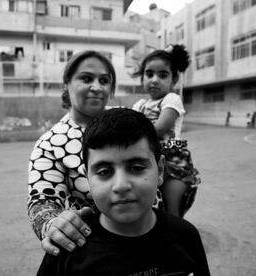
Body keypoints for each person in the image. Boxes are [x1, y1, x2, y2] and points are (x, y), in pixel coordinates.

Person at [37, 108, 210, 276]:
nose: (120, 185)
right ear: (88, 177)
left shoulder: (186, 236)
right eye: (104, 172)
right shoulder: (68, 247)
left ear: (160, 170)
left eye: (136, 168)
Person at [27, 50, 164, 256]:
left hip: (158, 237)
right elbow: (42, 202)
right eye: (86, 78)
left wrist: (179, 154)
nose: (97, 87)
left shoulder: (127, 118)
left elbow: (159, 148)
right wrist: (53, 225)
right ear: (67, 84)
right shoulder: (50, 144)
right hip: (102, 254)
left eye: (104, 80)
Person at [132, 44, 200, 217]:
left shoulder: (172, 99)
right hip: (147, 154)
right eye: (149, 74)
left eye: (162, 75)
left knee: (171, 211)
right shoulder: (139, 105)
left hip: (172, 157)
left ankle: (176, 238)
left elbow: (159, 129)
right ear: (142, 78)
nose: (155, 79)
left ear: (174, 80)